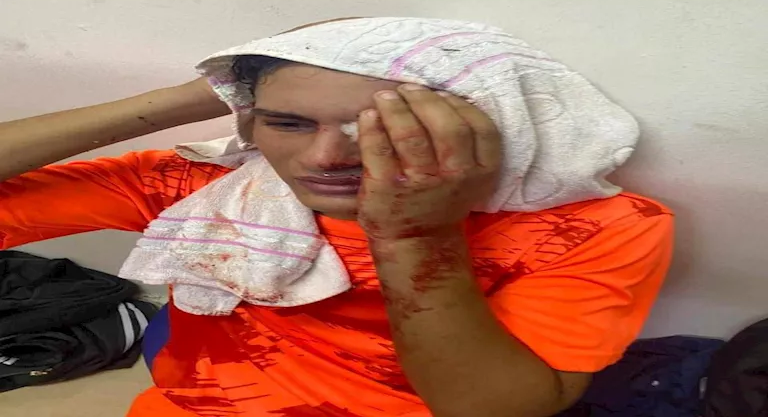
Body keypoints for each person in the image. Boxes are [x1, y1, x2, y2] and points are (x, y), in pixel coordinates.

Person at [0, 21, 673, 417]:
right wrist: (198, 95)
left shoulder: (595, 228)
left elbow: (493, 409)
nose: (325, 158)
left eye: (379, 130)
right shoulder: (208, 189)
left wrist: (416, 237)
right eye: (289, 122)